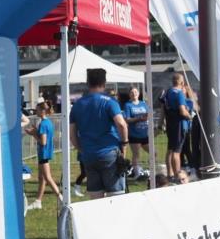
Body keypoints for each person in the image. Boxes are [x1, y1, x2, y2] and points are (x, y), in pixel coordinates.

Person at [69, 68, 130, 200]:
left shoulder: (78, 104)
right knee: (116, 198)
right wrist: (124, 143)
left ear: (87, 82)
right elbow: (121, 124)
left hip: (89, 155)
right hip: (109, 153)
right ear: (104, 82)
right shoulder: (109, 101)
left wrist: (81, 149)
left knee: (95, 198)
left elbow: (72, 134)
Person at [25, 101, 61, 210]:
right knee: (41, 178)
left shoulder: (43, 124)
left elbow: (43, 142)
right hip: (45, 153)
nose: (36, 111)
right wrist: (36, 131)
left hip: (43, 153)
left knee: (47, 178)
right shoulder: (48, 122)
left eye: (37, 109)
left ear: (43, 111)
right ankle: (38, 201)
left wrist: (33, 134)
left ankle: (61, 198)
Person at [162, 74, 191, 180]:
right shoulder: (179, 93)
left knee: (170, 149)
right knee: (176, 151)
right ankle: (178, 176)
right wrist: (190, 116)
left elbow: (163, 108)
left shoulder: (168, 92)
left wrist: (161, 122)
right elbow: (182, 111)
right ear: (182, 82)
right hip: (179, 124)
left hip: (170, 123)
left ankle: (170, 174)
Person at [123, 86, 151, 178]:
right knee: (136, 154)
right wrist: (139, 118)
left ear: (138, 93)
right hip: (134, 134)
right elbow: (127, 120)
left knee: (154, 152)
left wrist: (147, 117)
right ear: (129, 94)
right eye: (132, 92)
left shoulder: (143, 104)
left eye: (135, 92)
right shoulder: (128, 105)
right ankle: (137, 173)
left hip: (145, 134)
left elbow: (148, 115)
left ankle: (149, 170)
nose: (134, 94)